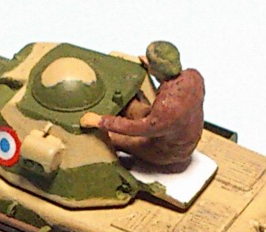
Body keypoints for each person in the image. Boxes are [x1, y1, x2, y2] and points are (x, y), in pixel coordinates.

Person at [80, 41, 205, 173]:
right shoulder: (194, 76)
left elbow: (140, 128)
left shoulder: (166, 108)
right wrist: (152, 68)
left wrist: (101, 121)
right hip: (177, 132)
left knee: (108, 137)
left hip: (167, 151)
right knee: (131, 106)